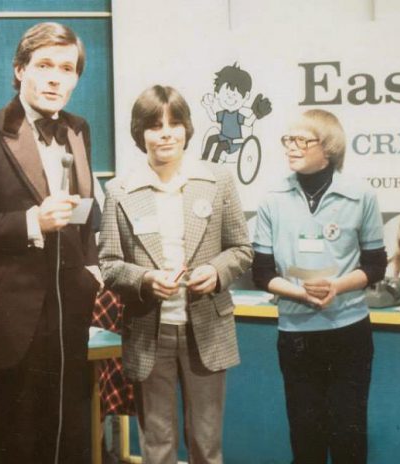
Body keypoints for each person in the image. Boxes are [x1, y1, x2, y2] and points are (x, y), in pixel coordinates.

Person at [0, 22, 101, 463]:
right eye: (44, 65)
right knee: (17, 443)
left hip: (69, 312)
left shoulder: (78, 129)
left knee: (69, 441)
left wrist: (92, 266)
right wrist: (30, 221)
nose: (55, 78)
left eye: (67, 68)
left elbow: (86, 209)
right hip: (10, 317)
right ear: (19, 70)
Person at [99, 85, 253, 464]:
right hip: (151, 333)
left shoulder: (218, 180)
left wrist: (216, 272)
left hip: (207, 328)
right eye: (154, 125)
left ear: (187, 129)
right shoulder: (120, 190)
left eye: (174, 124)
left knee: (206, 443)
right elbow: (111, 264)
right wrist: (146, 281)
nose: (165, 133)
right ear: (140, 134)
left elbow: (241, 249)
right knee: (157, 445)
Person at [252, 109, 387, 464]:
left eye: (301, 141)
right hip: (296, 334)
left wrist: (337, 287)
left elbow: (375, 265)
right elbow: (262, 273)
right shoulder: (272, 199)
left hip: (349, 332)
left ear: (328, 148)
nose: (291, 148)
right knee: (305, 437)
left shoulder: (361, 196)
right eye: (287, 140)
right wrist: (302, 293)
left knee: (349, 435)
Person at [200, 63, 271, 163]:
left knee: (220, 146)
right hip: (222, 137)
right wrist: (208, 107)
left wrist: (256, 113)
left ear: (245, 97)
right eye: (227, 94)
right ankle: (203, 159)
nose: (230, 98)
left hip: (233, 143)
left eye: (234, 95)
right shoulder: (223, 114)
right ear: (217, 94)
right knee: (211, 139)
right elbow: (213, 117)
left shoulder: (237, 116)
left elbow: (248, 123)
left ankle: (214, 164)